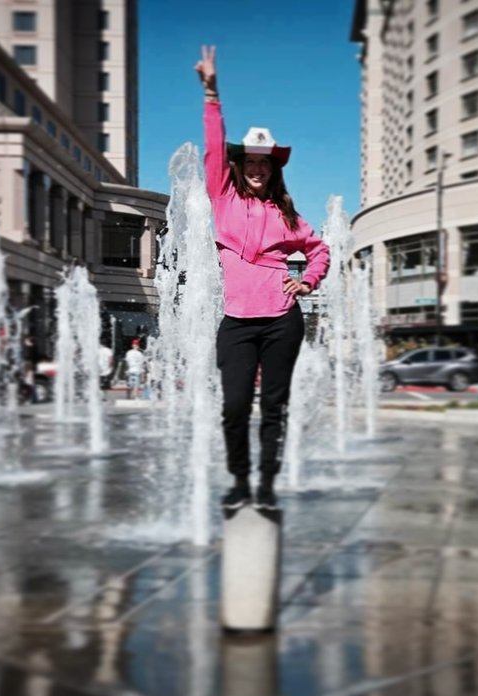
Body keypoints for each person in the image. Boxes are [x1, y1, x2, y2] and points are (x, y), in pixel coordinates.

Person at [195, 46, 331, 513]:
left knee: (274, 407)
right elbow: (214, 147)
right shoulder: (223, 196)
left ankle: (267, 485)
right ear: (240, 167)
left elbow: (320, 249)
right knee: (234, 407)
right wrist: (212, 94)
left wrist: (308, 282)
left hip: (280, 321)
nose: (257, 169)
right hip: (236, 321)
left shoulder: (286, 216)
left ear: (273, 170)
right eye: (250, 162)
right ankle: (239, 481)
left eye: (265, 163)